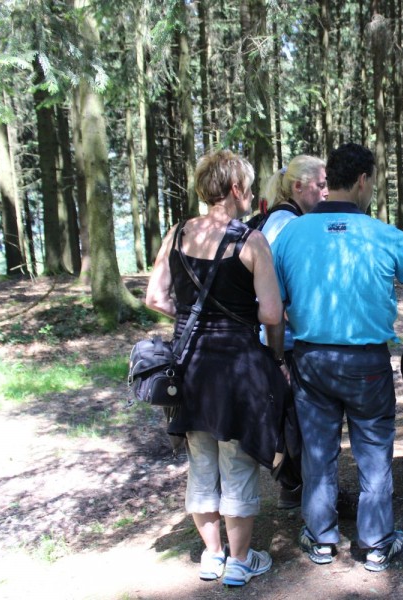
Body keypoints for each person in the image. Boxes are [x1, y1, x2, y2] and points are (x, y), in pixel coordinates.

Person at [269, 142, 403, 572]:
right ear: (362, 181)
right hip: (367, 362)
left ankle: (320, 538)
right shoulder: (384, 233)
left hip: (311, 358)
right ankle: (376, 543)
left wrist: (278, 357)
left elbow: (275, 302)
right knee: (374, 450)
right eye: (373, 182)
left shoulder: (291, 233)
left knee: (318, 451)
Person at [145, 149, 284, 587]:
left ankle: (212, 555)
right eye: (249, 187)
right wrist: (276, 356)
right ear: (236, 189)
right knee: (237, 460)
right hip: (238, 366)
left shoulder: (178, 233)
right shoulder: (251, 241)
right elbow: (272, 313)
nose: (252, 195)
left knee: (201, 459)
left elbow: (155, 298)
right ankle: (240, 562)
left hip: (189, 365)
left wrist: (191, 318)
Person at [258, 155, 328, 510]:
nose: (326, 193)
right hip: (285, 341)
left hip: (280, 338)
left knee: (292, 418)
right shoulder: (288, 225)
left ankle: (294, 487)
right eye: (321, 185)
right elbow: (278, 291)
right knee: (298, 420)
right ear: (298, 187)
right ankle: (302, 489)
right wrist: (279, 356)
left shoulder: (279, 220)